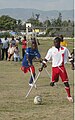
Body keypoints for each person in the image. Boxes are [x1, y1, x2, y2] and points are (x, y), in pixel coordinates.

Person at [39, 37, 74, 102]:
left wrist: (72, 65)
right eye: (54, 42)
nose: (55, 43)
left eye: (57, 42)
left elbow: (70, 57)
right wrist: (41, 67)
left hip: (61, 68)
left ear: (59, 42)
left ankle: (69, 96)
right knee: (53, 83)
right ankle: (54, 81)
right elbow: (46, 59)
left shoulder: (64, 49)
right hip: (54, 68)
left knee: (66, 82)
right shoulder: (51, 50)